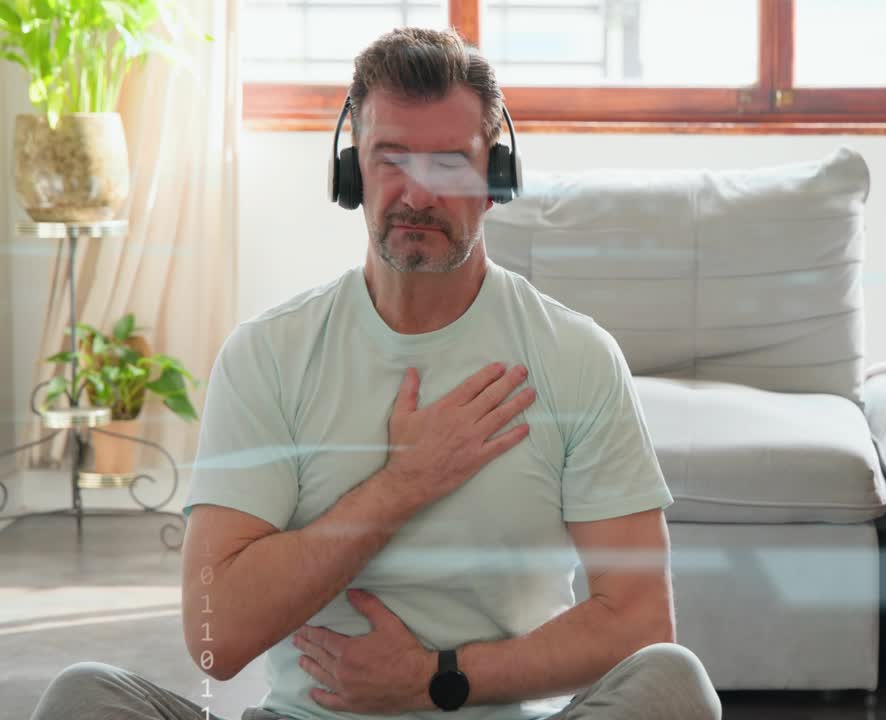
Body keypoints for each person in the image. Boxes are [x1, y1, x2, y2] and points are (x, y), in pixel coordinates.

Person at [28, 26, 720, 720]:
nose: (417, 193)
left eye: (450, 162)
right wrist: (402, 485)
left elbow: (640, 622)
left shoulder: (575, 356)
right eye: (391, 159)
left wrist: (438, 679)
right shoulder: (268, 354)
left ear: (495, 179)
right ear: (352, 173)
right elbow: (218, 638)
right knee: (82, 696)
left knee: (673, 683)